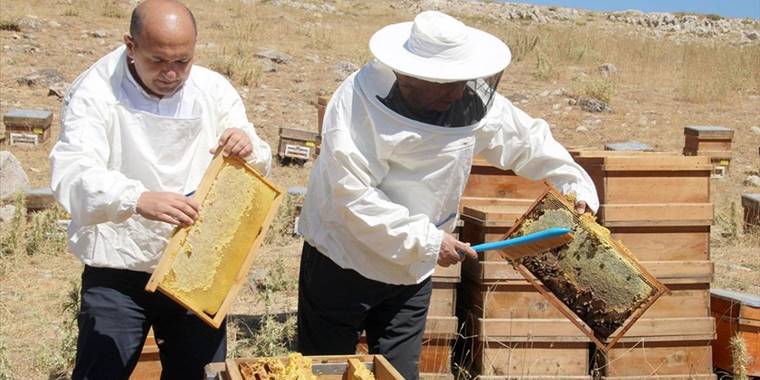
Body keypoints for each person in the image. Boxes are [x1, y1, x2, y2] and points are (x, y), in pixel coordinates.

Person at [296, 10, 599, 379]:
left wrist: (574, 184)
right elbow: (352, 197)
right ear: (408, 75)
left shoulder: (468, 102)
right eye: (443, 84)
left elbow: (527, 140)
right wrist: (426, 240)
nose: (456, 92)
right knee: (321, 370)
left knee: (399, 372)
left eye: (461, 81)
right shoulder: (357, 102)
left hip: (412, 270)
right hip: (342, 257)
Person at [49, 0, 271, 378]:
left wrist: (244, 143)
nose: (171, 73)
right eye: (158, 61)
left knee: (201, 373)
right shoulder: (95, 91)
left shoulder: (213, 89)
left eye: (182, 62)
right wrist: (137, 199)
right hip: (118, 267)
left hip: (195, 266)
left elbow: (256, 152)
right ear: (130, 46)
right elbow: (73, 173)